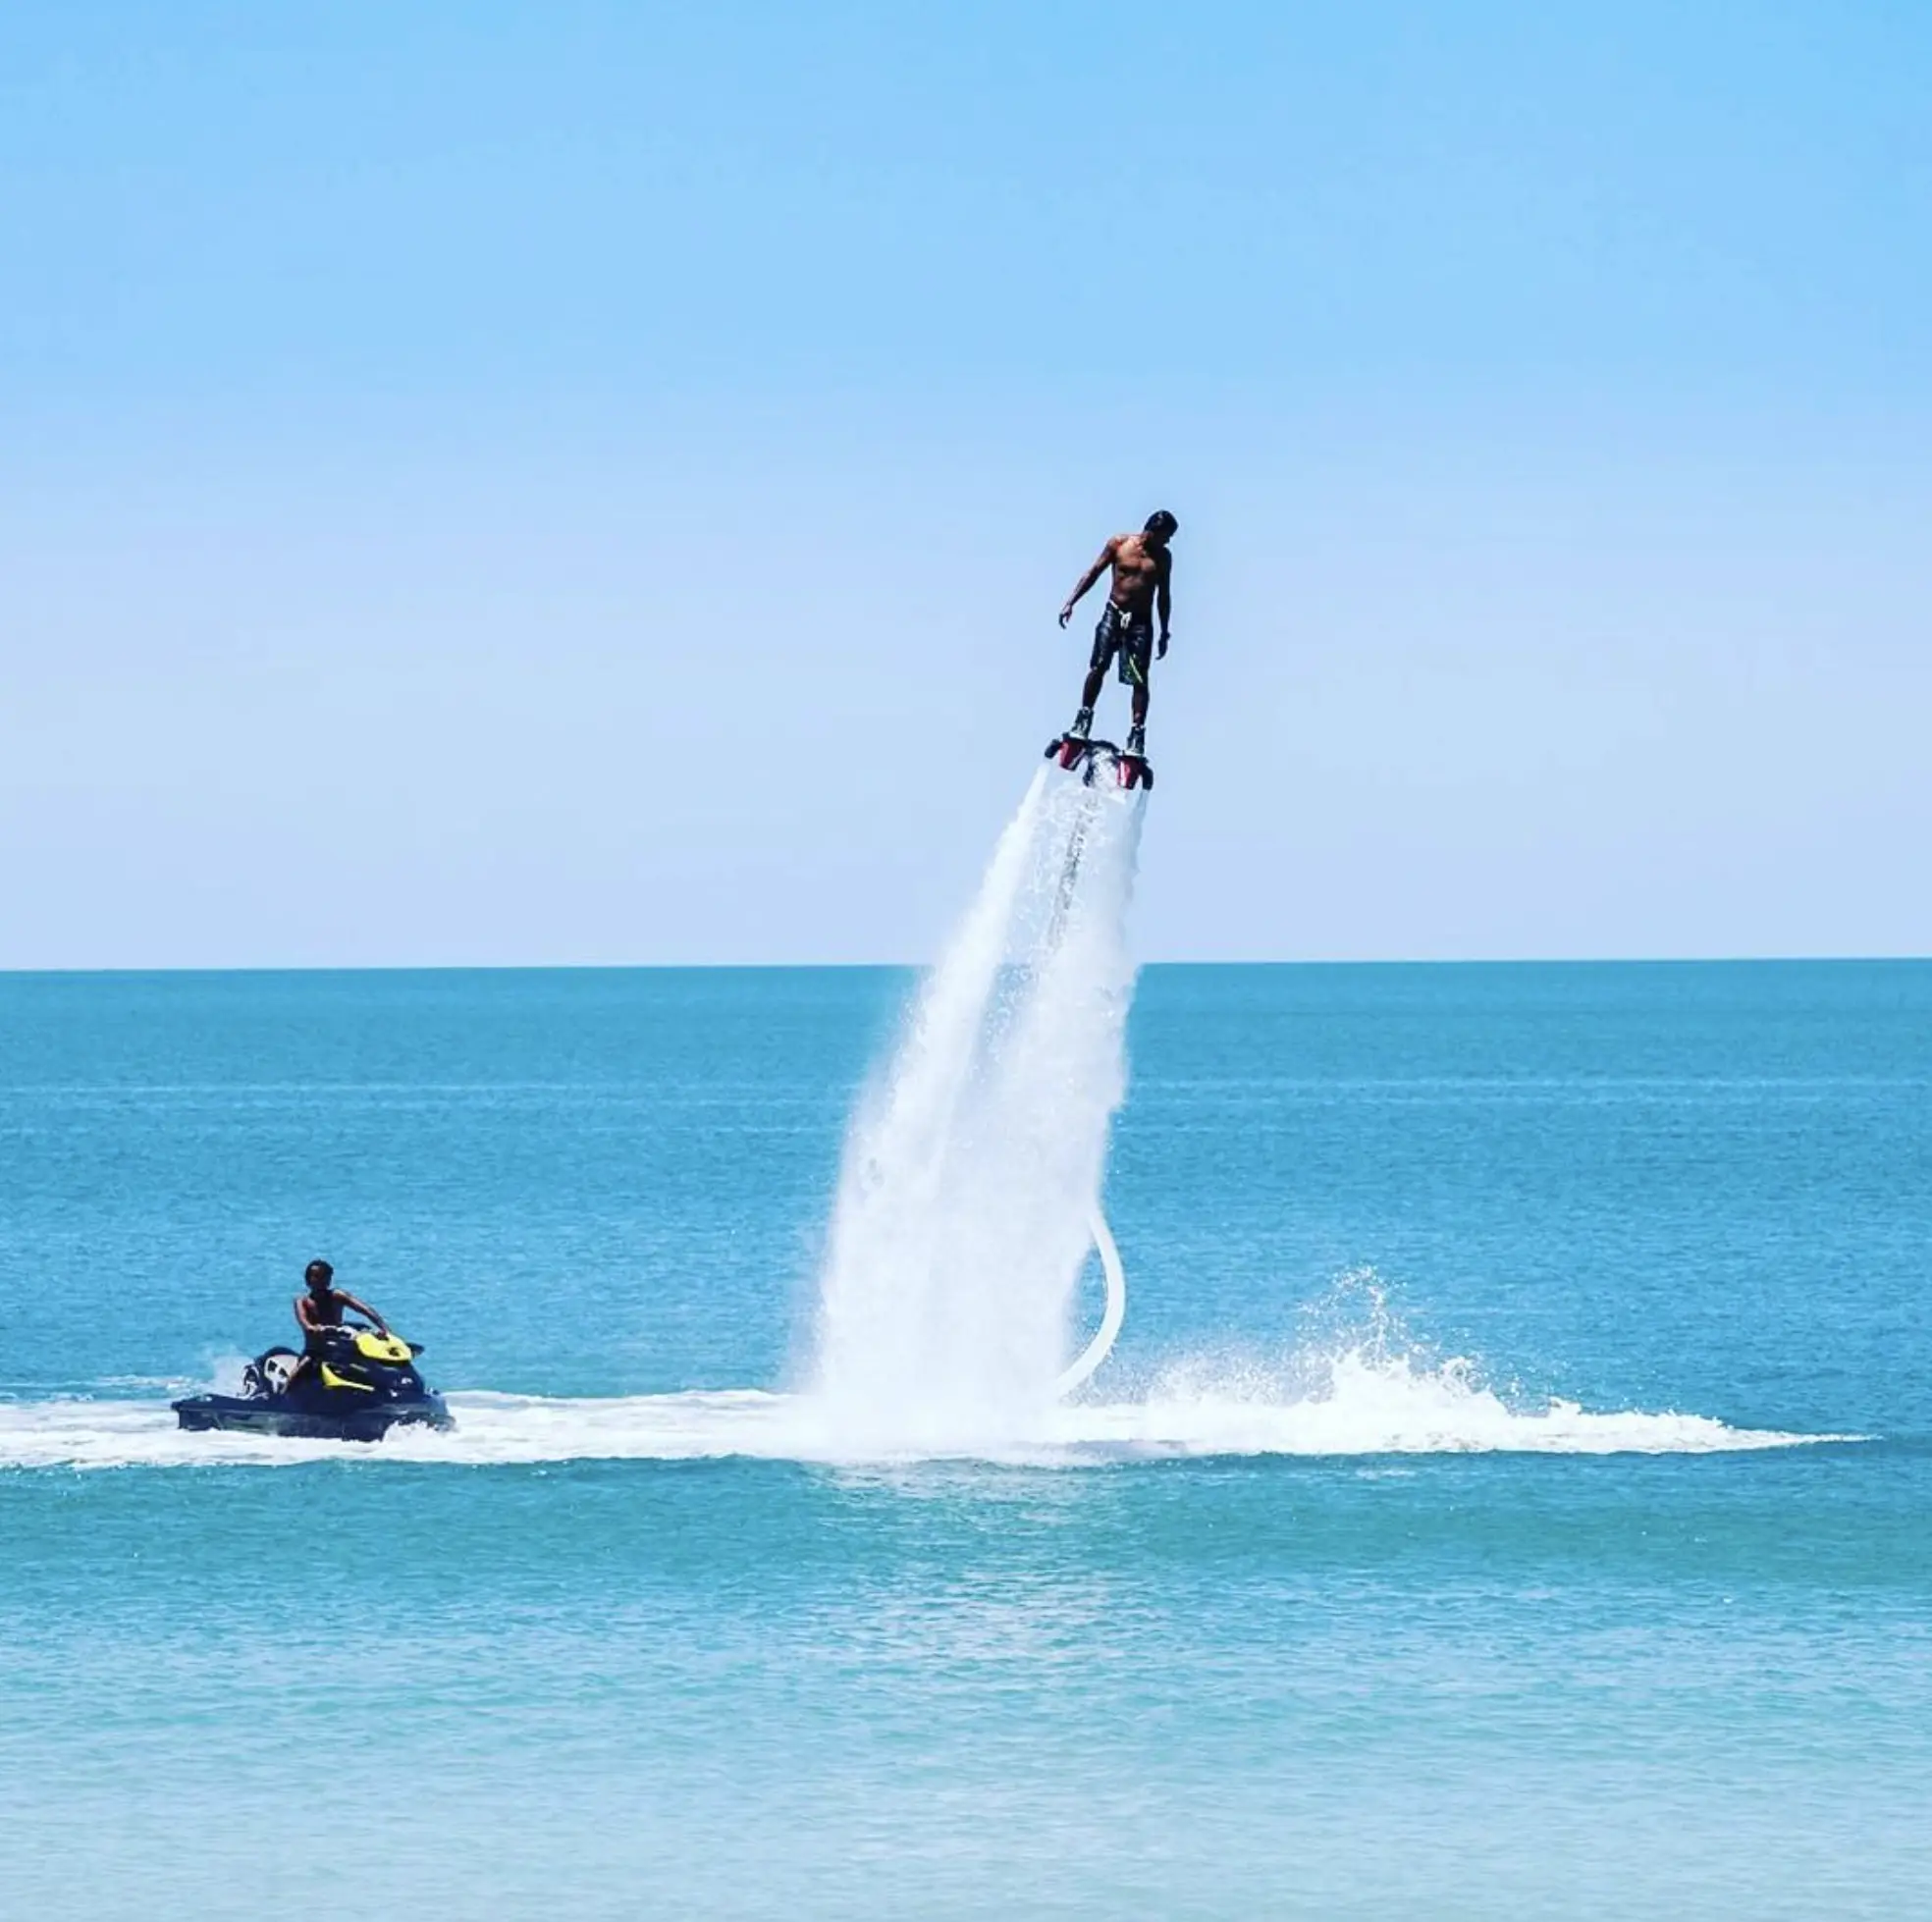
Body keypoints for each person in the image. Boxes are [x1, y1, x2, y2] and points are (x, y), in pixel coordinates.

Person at [1057, 509, 1177, 757]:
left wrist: (1165, 631)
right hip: (1113, 615)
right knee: (1098, 666)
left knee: (1139, 679)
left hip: (1141, 624)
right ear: (1153, 532)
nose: (1168, 542)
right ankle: (1083, 717)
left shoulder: (1163, 558)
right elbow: (1093, 573)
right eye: (1166, 536)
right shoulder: (1120, 544)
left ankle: (1136, 733)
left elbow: (1164, 596)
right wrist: (1071, 602)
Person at [290, 1258, 391, 1383]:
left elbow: (365, 1309)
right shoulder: (302, 1301)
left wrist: (384, 1328)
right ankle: (281, 1396)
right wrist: (314, 1328)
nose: (319, 1281)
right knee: (298, 1374)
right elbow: (304, 1322)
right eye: (315, 1277)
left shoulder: (337, 1296)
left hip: (339, 1347)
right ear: (308, 1279)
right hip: (316, 1350)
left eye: (323, 1277)